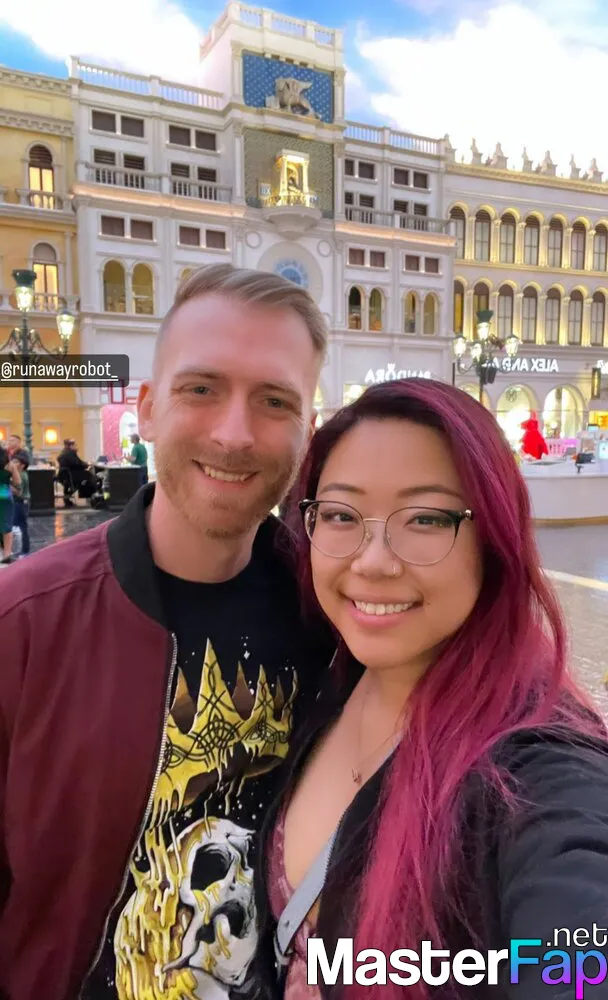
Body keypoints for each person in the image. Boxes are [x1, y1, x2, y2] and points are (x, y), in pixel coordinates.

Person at [0, 263, 332, 1000]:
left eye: (274, 401)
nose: (234, 433)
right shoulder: (21, 627)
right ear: (148, 410)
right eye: (201, 389)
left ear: (306, 433)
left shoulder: (336, 622)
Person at [254, 378, 608, 1000]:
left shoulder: (537, 770)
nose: (372, 562)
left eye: (425, 519)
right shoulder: (325, 681)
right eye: (340, 516)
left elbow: (580, 951)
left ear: (492, 541)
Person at [56, 438, 91, 506]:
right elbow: (77, 463)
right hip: (71, 476)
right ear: (71, 446)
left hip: (64, 475)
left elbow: (78, 462)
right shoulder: (70, 453)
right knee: (89, 477)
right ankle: (89, 499)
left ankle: (67, 498)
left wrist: (85, 464)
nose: (76, 446)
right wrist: (87, 464)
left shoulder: (64, 452)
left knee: (86, 476)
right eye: (75, 445)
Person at [0, 447, 20, 564]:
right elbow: (18, 481)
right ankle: (7, 555)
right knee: (7, 525)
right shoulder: (10, 465)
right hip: (5, 495)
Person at [11, 452, 30, 557]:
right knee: (21, 526)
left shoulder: (21, 475)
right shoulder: (20, 474)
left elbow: (18, 492)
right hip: (20, 502)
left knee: (20, 527)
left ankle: (24, 551)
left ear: (22, 465)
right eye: (12, 461)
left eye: (16, 462)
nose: (13, 463)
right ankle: (23, 550)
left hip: (20, 503)